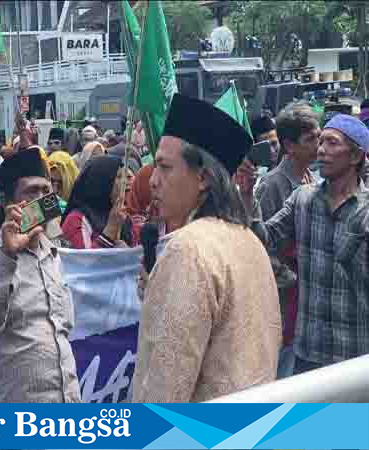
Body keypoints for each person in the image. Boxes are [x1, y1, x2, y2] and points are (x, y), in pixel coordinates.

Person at [132, 93, 281, 403]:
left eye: (164, 167)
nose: (153, 182)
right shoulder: (248, 239)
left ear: (202, 178)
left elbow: (164, 391)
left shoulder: (188, 248)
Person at [239, 113, 369, 375]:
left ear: (355, 157)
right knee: (308, 419)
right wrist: (245, 195)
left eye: (332, 143)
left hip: (356, 354)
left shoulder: (366, 212)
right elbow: (264, 239)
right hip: (308, 353)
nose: (321, 149)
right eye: (320, 142)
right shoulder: (303, 199)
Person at [0, 148, 80, 403]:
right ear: (9, 203)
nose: (41, 199)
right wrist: (7, 255)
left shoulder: (53, 253)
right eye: (31, 192)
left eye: (45, 190)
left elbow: (63, 328)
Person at [253, 102, 321, 378]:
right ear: (289, 146)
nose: (320, 145)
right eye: (311, 139)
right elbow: (260, 247)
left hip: (307, 304)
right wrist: (293, 276)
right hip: (283, 307)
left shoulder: (313, 178)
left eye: (320, 136)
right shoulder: (272, 185)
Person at [61, 156, 132, 249]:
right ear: (102, 183)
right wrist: (110, 231)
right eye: (119, 177)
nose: (126, 182)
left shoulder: (122, 217)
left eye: (126, 177)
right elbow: (83, 261)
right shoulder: (76, 220)